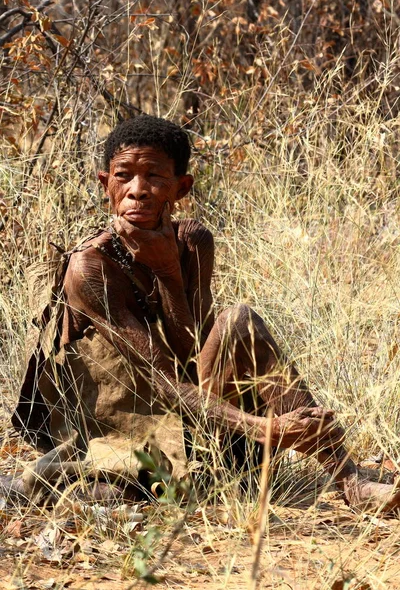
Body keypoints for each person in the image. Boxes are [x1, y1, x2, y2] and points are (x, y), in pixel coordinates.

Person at [5, 115, 400, 511]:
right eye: (123, 176)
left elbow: (191, 353)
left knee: (238, 320)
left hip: (208, 428)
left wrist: (169, 273)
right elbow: (162, 381)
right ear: (105, 183)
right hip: (129, 433)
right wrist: (268, 429)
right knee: (108, 495)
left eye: (155, 177)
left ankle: (350, 481)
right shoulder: (90, 268)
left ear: (182, 188)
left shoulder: (192, 241)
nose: (137, 192)